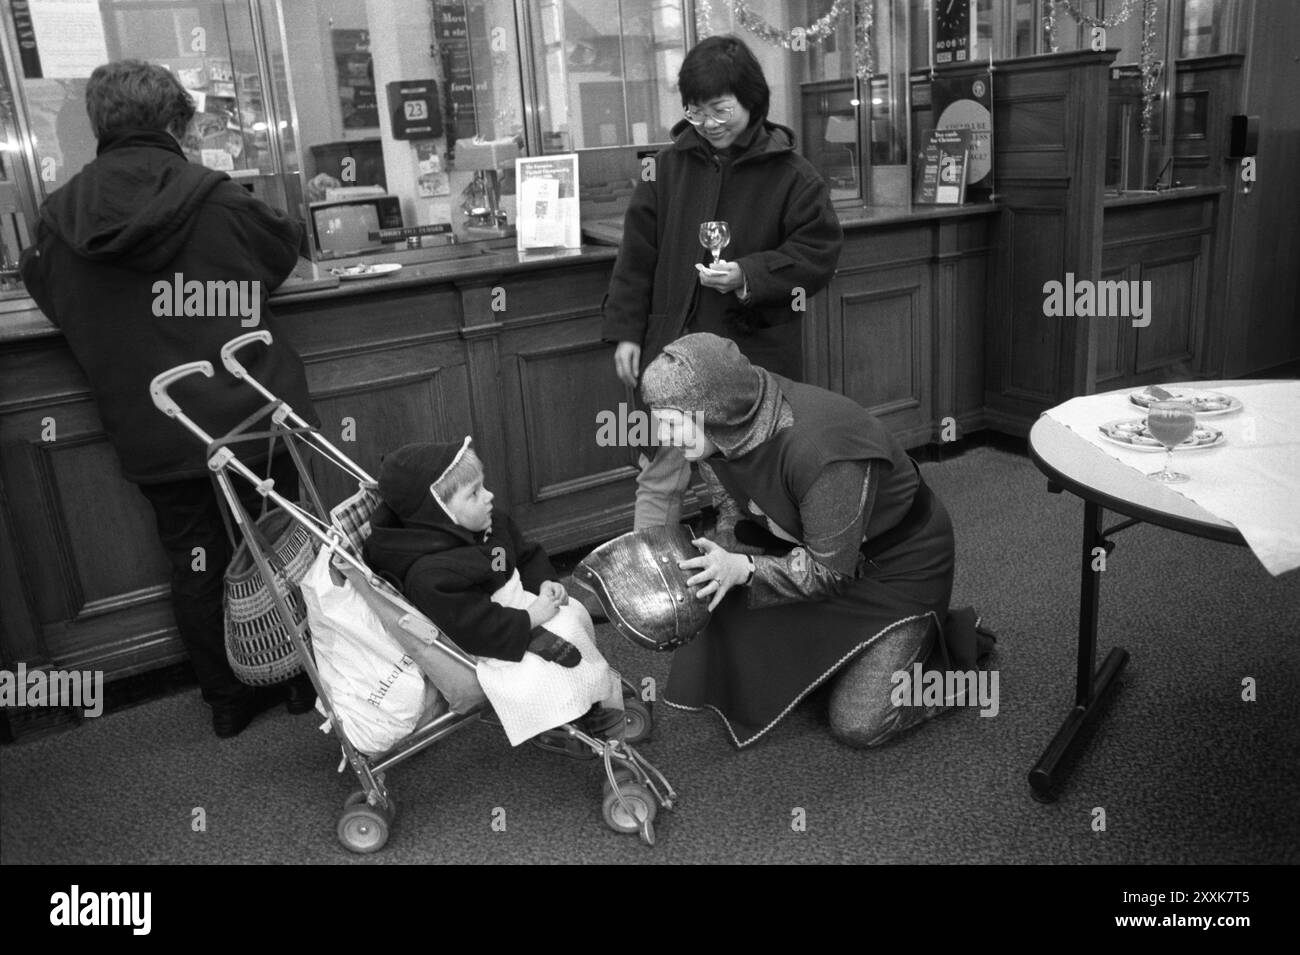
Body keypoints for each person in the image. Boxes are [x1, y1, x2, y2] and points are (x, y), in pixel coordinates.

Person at [19, 59, 316, 738]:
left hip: (156, 425)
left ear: (99, 124)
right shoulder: (213, 194)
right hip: (249, 415)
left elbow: (52, 296)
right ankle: (299, 679)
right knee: (277, 542)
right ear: (175, 119)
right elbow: (282, 252)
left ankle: (228, 699)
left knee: (195, 558)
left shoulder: (60, 215)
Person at [640, 333, 993, 748]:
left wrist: (746, 569)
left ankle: (948, 662)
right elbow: (735, 508)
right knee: (726, 598)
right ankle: (859, 650)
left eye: (671, 423)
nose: (664, 437)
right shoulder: (730, 421)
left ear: (712, 412)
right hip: (810, 550)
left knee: (859, 724)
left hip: (899, 566)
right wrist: (720, 563)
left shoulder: (821, 450)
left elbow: (829, 572)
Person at [602, 34, 842, 530]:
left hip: (748, 356)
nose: (707, 124)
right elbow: (636, 257)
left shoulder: (794, 176)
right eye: (695, 111)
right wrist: (628, 332)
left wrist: (747, 274)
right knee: (661, 474)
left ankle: (761, 582)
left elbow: (816, 255)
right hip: (671, 354)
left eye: (719, 110)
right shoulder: (664, 169)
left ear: (752, 102)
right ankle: (653, 586)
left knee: (754, 479)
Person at [364, 438, 625, 750]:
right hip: (493, 642)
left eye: (482, 485)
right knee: (558, 645)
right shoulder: (430, 574)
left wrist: (542, 582)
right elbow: (474, 627)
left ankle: (592, 691)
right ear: (439, 513)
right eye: (474, 493)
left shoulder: (487, 523)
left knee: (575, 612)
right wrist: (532, 618)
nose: (488, 496)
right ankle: (568, 712)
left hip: (520, 605)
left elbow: (525, 555)